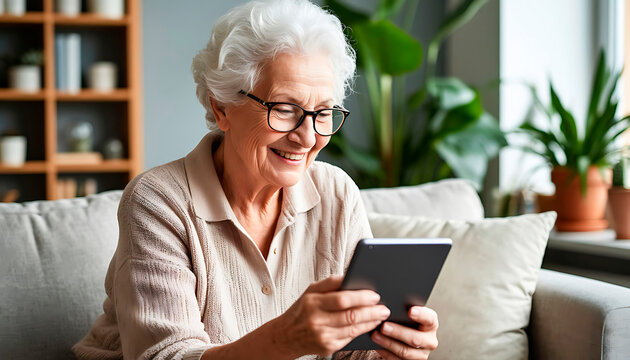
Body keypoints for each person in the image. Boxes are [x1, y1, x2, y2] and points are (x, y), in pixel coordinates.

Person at [72, 1, 438, 359]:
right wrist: (286, 339)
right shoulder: (158, 202)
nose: (307, 137)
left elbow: (351, 348)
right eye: (284, 109)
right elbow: (165, 355)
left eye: (322, 113)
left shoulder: (336, 193)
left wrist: (390, 348)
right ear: (222, 107)